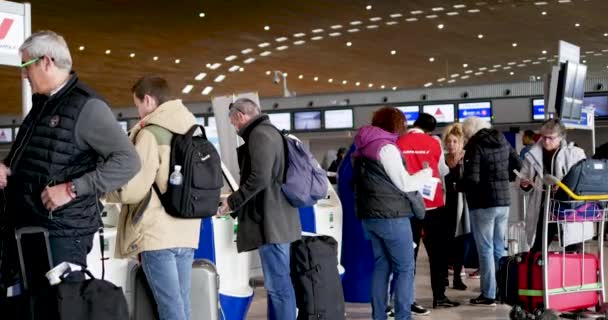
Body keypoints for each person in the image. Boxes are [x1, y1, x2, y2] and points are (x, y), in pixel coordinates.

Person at [0, 30, 140, 287]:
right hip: (32, 229)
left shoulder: (87, 107)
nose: (23, 74)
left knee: (63, 308)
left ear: (46, 62)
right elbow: (35, 158)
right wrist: (6, 167)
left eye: (25, 65)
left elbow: (128, 161)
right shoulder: (43, 105)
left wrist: (73, 188)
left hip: (63, 235)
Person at [105, 76, 201, 320]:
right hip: (188, 231)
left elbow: (133, 188)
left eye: (137, 104)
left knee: (170, 309)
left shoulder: (150, 134)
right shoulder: (192, 128)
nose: (137, 111)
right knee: (181, 305)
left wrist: (106, 191)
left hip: (157, 235)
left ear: (148, 100)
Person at [218, 98, 301, 320]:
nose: (234, 128)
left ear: (240, 116)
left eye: (233, 123)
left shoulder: (259, 135)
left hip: (271, 222)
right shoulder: (272, 132)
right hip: (280, 218)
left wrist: (233, 202)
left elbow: (259, 178)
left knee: (278, 286)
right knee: (281, 283)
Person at [352, 106, 432, 320]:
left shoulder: (363, 145)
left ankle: (379, 316)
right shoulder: (386, 148)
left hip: (370, 217)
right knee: (405, 269)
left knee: (382, 267)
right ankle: (403, 317)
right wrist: (425, 174)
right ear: (396, 124)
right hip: (392, 217)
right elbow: (404, 183)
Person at [396, 113, 459, 310]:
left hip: (407, 205)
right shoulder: (433, 143)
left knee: (409, 255)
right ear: (430, 130)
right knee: (437, 253)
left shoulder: (399, 142)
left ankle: (409, 300)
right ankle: (439, 297)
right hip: (433, 204)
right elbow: (443, 171)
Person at [459, 116, 521, 306]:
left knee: (485, 249)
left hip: (483, 203)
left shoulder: (475, 145)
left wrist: (456, 185)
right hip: (503, 202)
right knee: (498, 247)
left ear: (470, 132)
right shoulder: (502, 140)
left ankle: (488, 294)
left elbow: (472, 179)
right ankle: (503, 289)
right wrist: (504, 178)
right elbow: (518, 164)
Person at [520, 119, 585, 252]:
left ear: (561, 137)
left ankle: (570, 271)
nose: (546, 141)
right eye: (543, 137)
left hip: (568, 208)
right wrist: (525, 183)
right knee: (538, 247)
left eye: (550, 138)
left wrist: (563, 187)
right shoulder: (533, 154)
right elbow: (523, 176)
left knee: (571, 247)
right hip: (544, 206)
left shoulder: (574, 154)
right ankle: (538, 270)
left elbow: (581, 181)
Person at [442, 123, 474, 291]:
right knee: (445, 242)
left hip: (463, 205)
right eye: (449, 141)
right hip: (445, 204)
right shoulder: (443, 159)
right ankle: (444, 277)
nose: (451, 145)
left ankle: (457, 278)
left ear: (461, 142)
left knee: (461, 242)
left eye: (455, 141)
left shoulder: (467, 158)